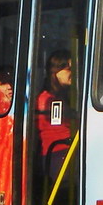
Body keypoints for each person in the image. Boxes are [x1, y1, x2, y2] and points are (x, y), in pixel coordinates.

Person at [36, 50, 75, 180]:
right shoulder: (47, 100)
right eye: (69, 68)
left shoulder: (64, 97)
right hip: (58, 155)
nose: (73, 73)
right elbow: (61, 129)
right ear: (56, 72)